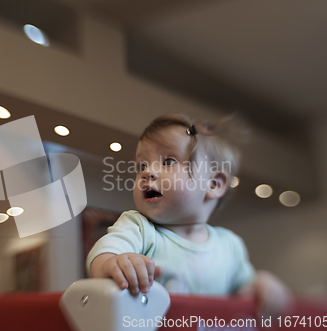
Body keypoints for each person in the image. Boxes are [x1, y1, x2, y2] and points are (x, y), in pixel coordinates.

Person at [87, 114, 291, 317]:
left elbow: (245, 292)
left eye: (168, 161)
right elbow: (104, 255)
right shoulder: (138, 228)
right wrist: (112, 263)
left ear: (213, 184)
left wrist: (262, 284)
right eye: (141, 165)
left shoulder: (230, 246)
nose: (147, 172)